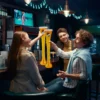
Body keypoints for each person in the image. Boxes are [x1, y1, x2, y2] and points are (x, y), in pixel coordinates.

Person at [45, 29, 93, 94]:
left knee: (45, 91)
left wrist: (67, 74)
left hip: (74, 85)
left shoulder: (83, 55)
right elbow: (64, 55)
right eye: (75, 38)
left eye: (77, 38)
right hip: (69, 80)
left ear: (84, 42)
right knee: (44, 87)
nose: (74, 40)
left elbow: (84, 76)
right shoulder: (77, 51)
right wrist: (54, 46)